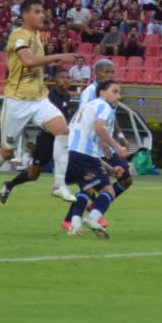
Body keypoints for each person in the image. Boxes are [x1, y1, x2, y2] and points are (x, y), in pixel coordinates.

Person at [0, 0, 80, 209]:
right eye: (37, 12)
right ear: (25, 15)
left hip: (39, 99)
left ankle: (58, 185)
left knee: (62, 130)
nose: (42, 15)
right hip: (17, 101)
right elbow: (28, 61)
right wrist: (58, 57)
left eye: (43, 12)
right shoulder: (19, 35)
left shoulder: (37, 36)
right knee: (6, 152)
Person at [60, 78, 127, 238]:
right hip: (83, 155)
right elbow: (99, 127)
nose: (118, 97)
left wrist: (110, 169)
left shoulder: (87, 107)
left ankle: (74, 226)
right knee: (108, 190)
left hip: (70, 153)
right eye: (115, 92)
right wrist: (117, 147)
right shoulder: (103, 105)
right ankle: (92, 218)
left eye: (119, 93)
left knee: (87, 188)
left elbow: (91, 143)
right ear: (102, 93)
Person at [0, 69, 74, 204]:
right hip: (47, 139)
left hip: (61, 139)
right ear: (55, 79)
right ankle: (9, 185)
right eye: (62, 77)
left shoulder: (67, 96)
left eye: (68, 77)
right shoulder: (49, 96)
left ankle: (64, 188)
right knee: (34, 174)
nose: (65, 80)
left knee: (73, 164)